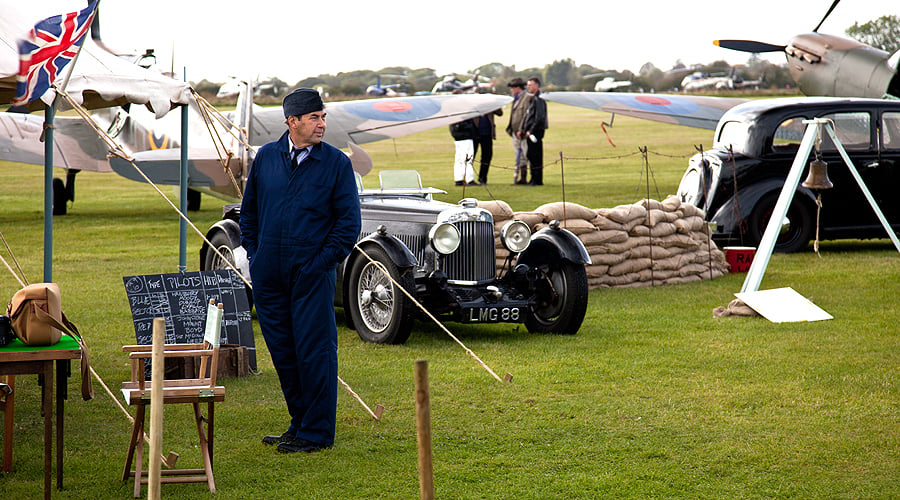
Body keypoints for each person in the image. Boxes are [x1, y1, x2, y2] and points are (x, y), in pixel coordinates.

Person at [240, 88, 361, 454]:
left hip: (311, 273)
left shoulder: (336, 163)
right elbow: (250, 214)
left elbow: (348, 224)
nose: (322, 124)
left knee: (315, 352)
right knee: (284, 352)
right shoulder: (267, 157)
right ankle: (299, 423)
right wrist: (258, 257)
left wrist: (318, 265)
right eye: (314, 118)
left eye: (323, 117)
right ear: (292, 122)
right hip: (270, 274)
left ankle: (317, 432)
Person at [505, 77, 532, 184]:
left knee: (526, 154)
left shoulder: (526, 98)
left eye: (512, 88)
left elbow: (525, 115)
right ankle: (522, 178)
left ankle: (529, 177)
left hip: (522, 133)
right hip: (514, 132)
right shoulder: (515, 99)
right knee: (519, 156)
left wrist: (521, 129)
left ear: (517, 88)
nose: (511, 90)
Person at [523, 76, 548, 186]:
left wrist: (531, 130)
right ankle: (533, 178)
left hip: (535, 131)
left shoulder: (539, 100)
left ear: (536, 86)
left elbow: (539, 117)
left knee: (535, 155)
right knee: (531, 155)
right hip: (531, 131)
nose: (528, 87)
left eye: (530, 85)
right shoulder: (533, 99)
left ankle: (536, 179)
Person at [473, 108, 503, 184]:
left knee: (487, 157)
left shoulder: (489, 102)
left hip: (487, 133)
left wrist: (494, 103)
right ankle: (468, 178)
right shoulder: (473, 101)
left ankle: (483, 178)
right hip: (474, 133)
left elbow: (500, 113)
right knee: (471, 156)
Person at [449, 117, 478, 186]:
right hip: (466, 137)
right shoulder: (465, 116)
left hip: (457, 138)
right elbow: (467, 125)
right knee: (468, 159)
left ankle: (458, 179)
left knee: (459, 159)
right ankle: (470, 179)